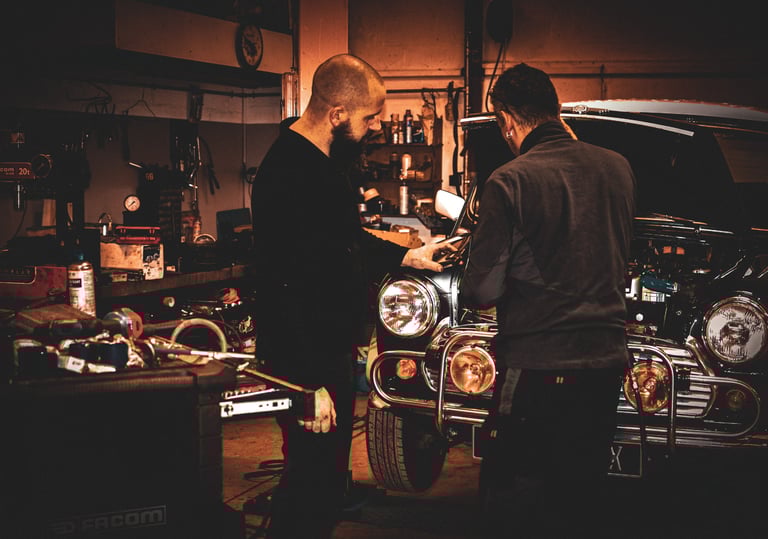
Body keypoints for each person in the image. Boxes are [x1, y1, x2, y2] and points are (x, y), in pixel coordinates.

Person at [249, 53, 452, 539]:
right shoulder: (290, 173)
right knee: (309, 490)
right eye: (369, 118)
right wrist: (307, 385)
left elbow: (345, 242)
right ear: (337, 114)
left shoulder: (321, 166)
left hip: (326, 354)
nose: (374, 128)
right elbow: (284, 285)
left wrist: (407, 258)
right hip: (306, 363)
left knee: (322, 486)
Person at [460, 63, 636, 538]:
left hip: (537, 368)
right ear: (555, 111)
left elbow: (481, 292)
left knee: (513, 500)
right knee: (580, 498)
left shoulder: (508, 181)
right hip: (603, 365)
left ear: (507, 121)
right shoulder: (618, 169)